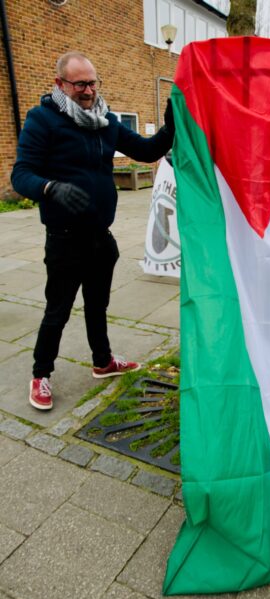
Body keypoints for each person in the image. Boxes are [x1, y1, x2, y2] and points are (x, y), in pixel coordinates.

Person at [11, 51, 174, 410]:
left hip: (101, 235)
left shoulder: (105, 120)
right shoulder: (43, 120)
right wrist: (50, 188)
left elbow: (147, 152)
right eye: (79, 84)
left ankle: (103, 361)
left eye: (92, 82)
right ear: (60, 84)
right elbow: (20, 175)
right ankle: (41, 374)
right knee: (59, 309)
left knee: (98, 305)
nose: (87, 90)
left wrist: (170, 125)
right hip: (65, 238)